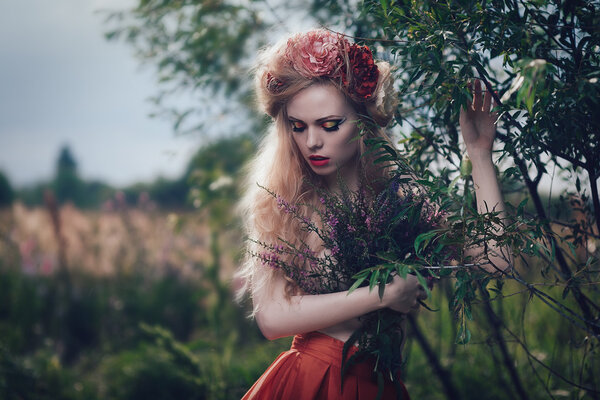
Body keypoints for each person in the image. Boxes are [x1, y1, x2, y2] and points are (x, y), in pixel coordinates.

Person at [236, 29, 509, 400]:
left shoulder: (401, 201)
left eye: (329, 125)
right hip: (310, 381)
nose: (312, 141)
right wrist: (383, 294)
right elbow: (271, 318)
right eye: (298, 127)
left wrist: (479, 155)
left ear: (365, 122)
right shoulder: (283, 203)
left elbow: (496, 262)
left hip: (379, 385)